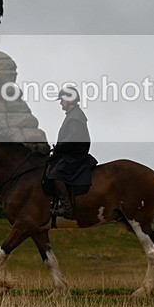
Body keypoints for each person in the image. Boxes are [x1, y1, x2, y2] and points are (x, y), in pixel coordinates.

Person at [48, 86, 92, 218]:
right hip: (70, 154)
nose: (60, 102)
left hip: (74, 156)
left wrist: (58, 147)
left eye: (61, 100)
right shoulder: (74, 115)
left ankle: (67, 208)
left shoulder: (75, 116)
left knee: (55, 174)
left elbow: (73, 137)